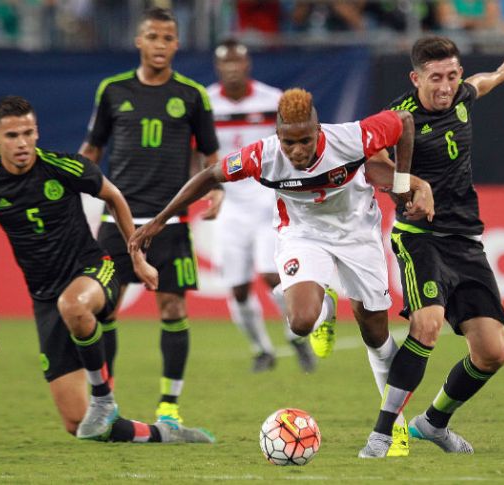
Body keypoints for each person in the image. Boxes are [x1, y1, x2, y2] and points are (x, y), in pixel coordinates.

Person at [129, 87, 435, 457]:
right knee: (301, 321)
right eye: (288, 142)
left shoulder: (352, 137)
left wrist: (402, 184)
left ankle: (394, 423)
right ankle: (324, 310)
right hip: (302, 235)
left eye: (305, 140)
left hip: (357, 234)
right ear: (277, 136)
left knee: (375, 332)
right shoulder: (263, 156)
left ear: (319, 130)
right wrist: (161, 220)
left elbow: (403, 122)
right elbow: (210, 175)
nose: (297, 151)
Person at [0, 95, 214, 445]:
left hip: (94, 271)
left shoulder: (63, 167)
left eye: (28, 133)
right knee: (78, 424)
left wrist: (137, 257)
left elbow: (114, 196)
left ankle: (104, 398)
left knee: (75, 305)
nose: (21, 143)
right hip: (44, 297)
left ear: (37, 133)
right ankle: (164, 434)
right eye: (12, 136)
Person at [358, 36, 504, 458]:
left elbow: (480, 83)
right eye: (436, 78)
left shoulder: (462, 96)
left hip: (465, 241)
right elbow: (370, 160)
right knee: (428, 324)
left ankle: (433, 424)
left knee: (492, 353)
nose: (446, 86)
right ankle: (382, 434)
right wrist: (413, 184)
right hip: (420, 239)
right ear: (416, 78)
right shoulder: (400, 117)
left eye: (452, 76)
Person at [78, 7, 221, 426]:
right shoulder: (112, 90)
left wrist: (218, 191)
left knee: (173, 309)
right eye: (153, 37)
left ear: (176, 44)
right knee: (105, 310)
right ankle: (106, 401)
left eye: (168, 38)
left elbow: (211, 156)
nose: (160, 45)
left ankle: (169, 406)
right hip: (116, 224)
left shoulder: (193, 95)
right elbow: (92, 151)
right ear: (139, 41)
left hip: (170, 223)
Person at [206, 38, 316, 373]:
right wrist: (208, 189)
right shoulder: (206, 103)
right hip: (230, 205)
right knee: (238, 288)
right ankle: (262, 350)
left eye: (238, 61)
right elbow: (199, 151)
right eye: (226, 63)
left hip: (267, 199)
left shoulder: (273, 101)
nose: (232, 68)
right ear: (218, 67)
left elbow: (296, 144)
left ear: (247, 64)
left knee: (272, 275)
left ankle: (294, 331)